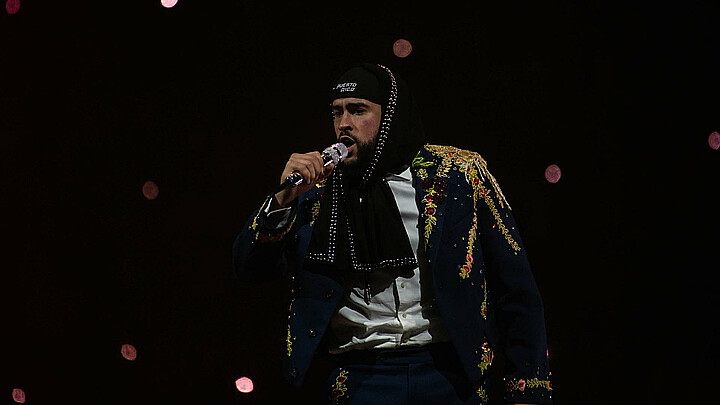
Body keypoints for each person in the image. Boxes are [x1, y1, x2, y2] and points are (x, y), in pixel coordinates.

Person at [233, 63, 552, 404]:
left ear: (390, 116)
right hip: (359, 379)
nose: (344, 124)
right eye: (337, 112)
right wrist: (282, 198)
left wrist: (527, 389)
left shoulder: (458, 175)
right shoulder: (316, 191)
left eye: (358, 111)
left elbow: (516, 288)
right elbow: (249, 268)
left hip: (450, 374)